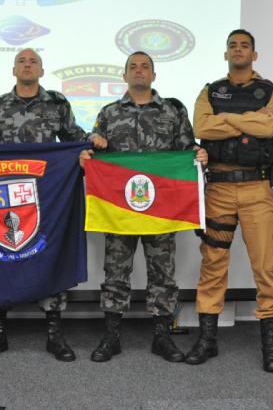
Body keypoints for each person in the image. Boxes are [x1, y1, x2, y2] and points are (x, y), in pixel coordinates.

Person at [0, 47, 101, 362]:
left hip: (46, 196)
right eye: (22, 61)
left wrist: (94, 141)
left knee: (49, 253)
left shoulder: (56, 103)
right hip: (2, 195)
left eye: (34, 62)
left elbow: (74, 138)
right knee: (0, 255)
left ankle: (54, 335)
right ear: (13, 69)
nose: (27, 65)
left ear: (41, 71)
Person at [81, 51, 207, 364]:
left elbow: (185, 147)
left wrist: (198, 154)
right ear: (124, 76)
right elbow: (93, 138)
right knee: (115, 274)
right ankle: (111, 337)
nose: (139, 71)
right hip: (120, 208)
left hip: (161, 209)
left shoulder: (173, 109)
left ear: (154, 75)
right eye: (133, 67)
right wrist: (89, 149)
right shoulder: (110, 112)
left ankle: (162, 337)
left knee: (163, 273)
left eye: (145, 67)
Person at [187, 29, 273, 372]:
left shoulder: (271, 91)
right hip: (218, 189)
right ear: (225, 53)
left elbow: (268, 129)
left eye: (245, 45)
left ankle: (271, 346)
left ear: (254, 55)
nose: (239, 49)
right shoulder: (211, 90)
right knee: (212, 264)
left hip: (258, 189)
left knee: (266, 266)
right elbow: (200, 124)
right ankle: (207, 340)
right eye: (233, 45)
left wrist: (225, 119)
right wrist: (246, 122)